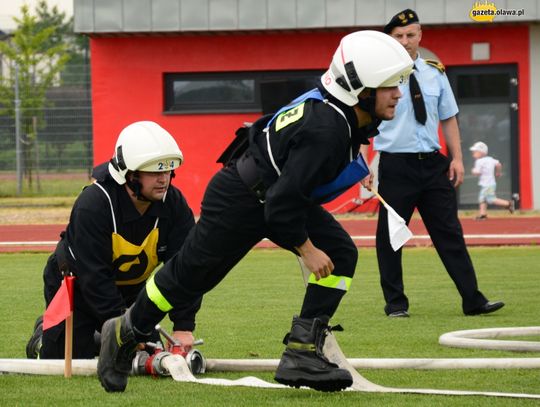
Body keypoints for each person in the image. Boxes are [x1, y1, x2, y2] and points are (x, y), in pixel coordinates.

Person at [96, 30, 413, 393]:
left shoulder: (335, 114)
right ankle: (123, 330)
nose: (398, 94)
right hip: (241, 199)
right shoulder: (328, 130)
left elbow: (285, 189)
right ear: (361, 88)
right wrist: (306, 249)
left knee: (340, 253)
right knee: (189, 278)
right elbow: (280, 205)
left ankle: (302, 351)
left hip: (273, 196)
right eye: (390, 86)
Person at [366, 9, 504, 318]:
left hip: (432, 166)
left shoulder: (434, 72)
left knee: (450, 233)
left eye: (410, 35)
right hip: (395, 166)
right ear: (390, 40)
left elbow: (449, 118)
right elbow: (365, 124)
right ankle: (396, 304)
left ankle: (473, 300)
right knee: (390, 238)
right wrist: (363, 166)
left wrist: (456, 158)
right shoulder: (375, 78)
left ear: (420, 36)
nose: (405, 41)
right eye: (398, 36)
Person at [25, 121, 199, 359]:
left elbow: (186, 267)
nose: (164, 179)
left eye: (168, 170)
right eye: (154, 171)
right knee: (69, 359)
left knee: (145, 357)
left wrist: (183, 325)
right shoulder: (94, 205)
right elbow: (95, 278)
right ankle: (45, 336)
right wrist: (124, 332)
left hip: (132, 292)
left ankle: (99, 339)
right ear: (128, 173)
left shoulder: (174, 204)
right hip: (78, 288)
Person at [469, 141, 517, 220]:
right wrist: (498, 173)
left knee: (490, 199)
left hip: (486, 185)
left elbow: (477, 172)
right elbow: (498, 164)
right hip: (491, 183)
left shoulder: (479, 161)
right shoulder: (490, 159)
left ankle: (508, 204)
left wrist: (473, 171)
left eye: (475, 152)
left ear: (481, 152)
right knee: (482, 198)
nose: (473, 153)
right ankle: (483, 214)